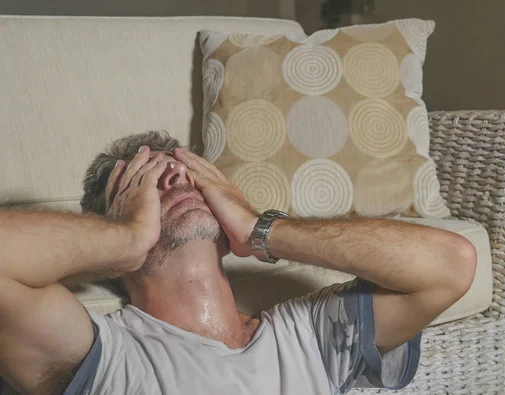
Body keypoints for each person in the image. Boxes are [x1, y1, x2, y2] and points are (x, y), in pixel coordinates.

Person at [0, 131, 476, 395]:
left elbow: (450, 264)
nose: (175, 182)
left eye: (187, 175)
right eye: (144, 185)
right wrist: (123, 241)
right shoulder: (102, 356)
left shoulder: (306, 334)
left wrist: (260, 229)